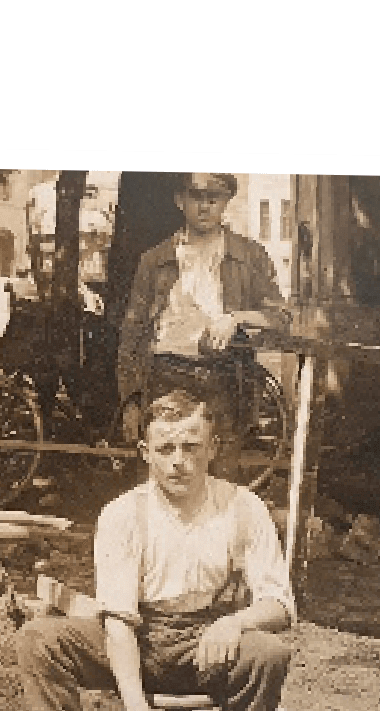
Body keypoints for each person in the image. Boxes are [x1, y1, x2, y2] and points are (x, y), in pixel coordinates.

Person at [17, 388, 294, 711]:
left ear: (212, 448)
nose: (178, 462)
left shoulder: (243, 507)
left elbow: (280, 604)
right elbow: (118, 623)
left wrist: (235, 622)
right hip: (138, 640)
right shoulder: (123, 513)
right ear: (145, 452)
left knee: (269, 654)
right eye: (165, 449)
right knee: (38, 639)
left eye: (190, 447)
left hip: (207, 647)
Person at [116, 172, 291, 481]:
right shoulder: (154, 261)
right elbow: (132, 333)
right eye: (196, 197)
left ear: (225, 202)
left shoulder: (249, 256)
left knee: (221, 482)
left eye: (215, 199)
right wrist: (131, 398)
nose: (206, 207)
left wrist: (236, 318)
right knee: (168, 478)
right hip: (165, 379)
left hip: (224, 382)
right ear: (179, 201)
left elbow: (280, 318)